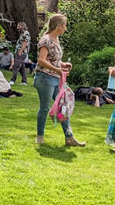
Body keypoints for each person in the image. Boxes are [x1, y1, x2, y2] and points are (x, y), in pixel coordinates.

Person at [34, 14, 85, 147]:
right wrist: (57, 70)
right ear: (58, 26)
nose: (65, 28)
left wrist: (63, 65)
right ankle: (40, 137)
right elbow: (41, 60)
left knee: (63, 106)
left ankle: (69, 137)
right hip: (45, 77)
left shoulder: (56, 40)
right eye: (64, 25)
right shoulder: (46, 40)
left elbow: (54, 60)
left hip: (56, 78)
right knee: (45, 108)